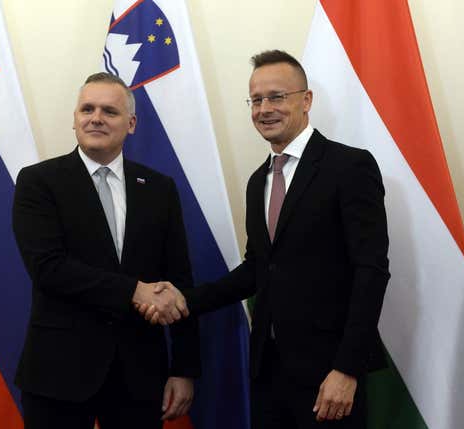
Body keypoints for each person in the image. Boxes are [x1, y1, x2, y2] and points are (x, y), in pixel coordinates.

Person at [140, 50, 390, 428]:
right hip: (269, 373)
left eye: (276, 97)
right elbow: (258, 269)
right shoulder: (260, 180)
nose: (264, 109)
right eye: (256, 100)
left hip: (329, 375)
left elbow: (370, 271)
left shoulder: (349, 166)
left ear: (306, 101)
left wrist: (347, 368)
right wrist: (183, 300)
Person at [12, 72, 200, 429]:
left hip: (140, 375)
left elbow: (179, 280)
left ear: (131, 124)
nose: (96, 117)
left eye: (109, 111)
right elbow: (49, 269)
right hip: (58, 374)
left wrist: (185, 369)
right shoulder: (38, 182)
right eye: (87, 108)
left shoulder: (159, 188)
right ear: (74, 119)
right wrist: (135, 290)